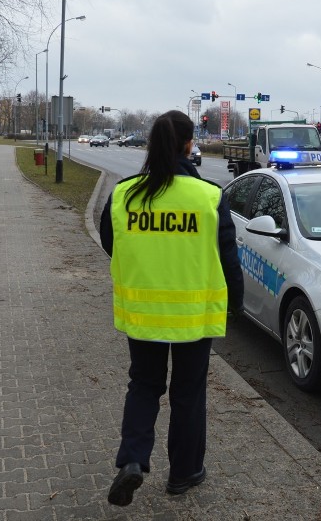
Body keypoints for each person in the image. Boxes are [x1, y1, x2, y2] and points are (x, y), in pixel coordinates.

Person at [99, 110, 244, 506]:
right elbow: (228, 257)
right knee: (187, 394)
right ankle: (183, 474)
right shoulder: (209, 196)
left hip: (142, 315)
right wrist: (237, 304)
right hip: (194, 318)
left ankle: (131, 461)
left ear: (151, 144)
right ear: (188, 144)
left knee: (143, 386)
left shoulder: (124, 194)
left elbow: (111, 243)